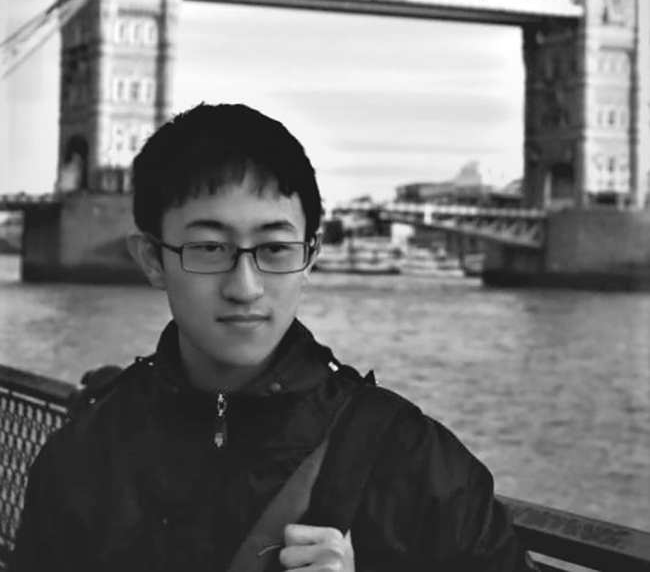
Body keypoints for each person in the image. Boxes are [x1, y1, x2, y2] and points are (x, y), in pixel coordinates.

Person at [11, 103, 537, 572]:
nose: (245, 288)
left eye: (275, 250)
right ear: (151, 258)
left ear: (313, 254)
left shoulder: (411, 460)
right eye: (210, 249)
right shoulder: (82, 461)